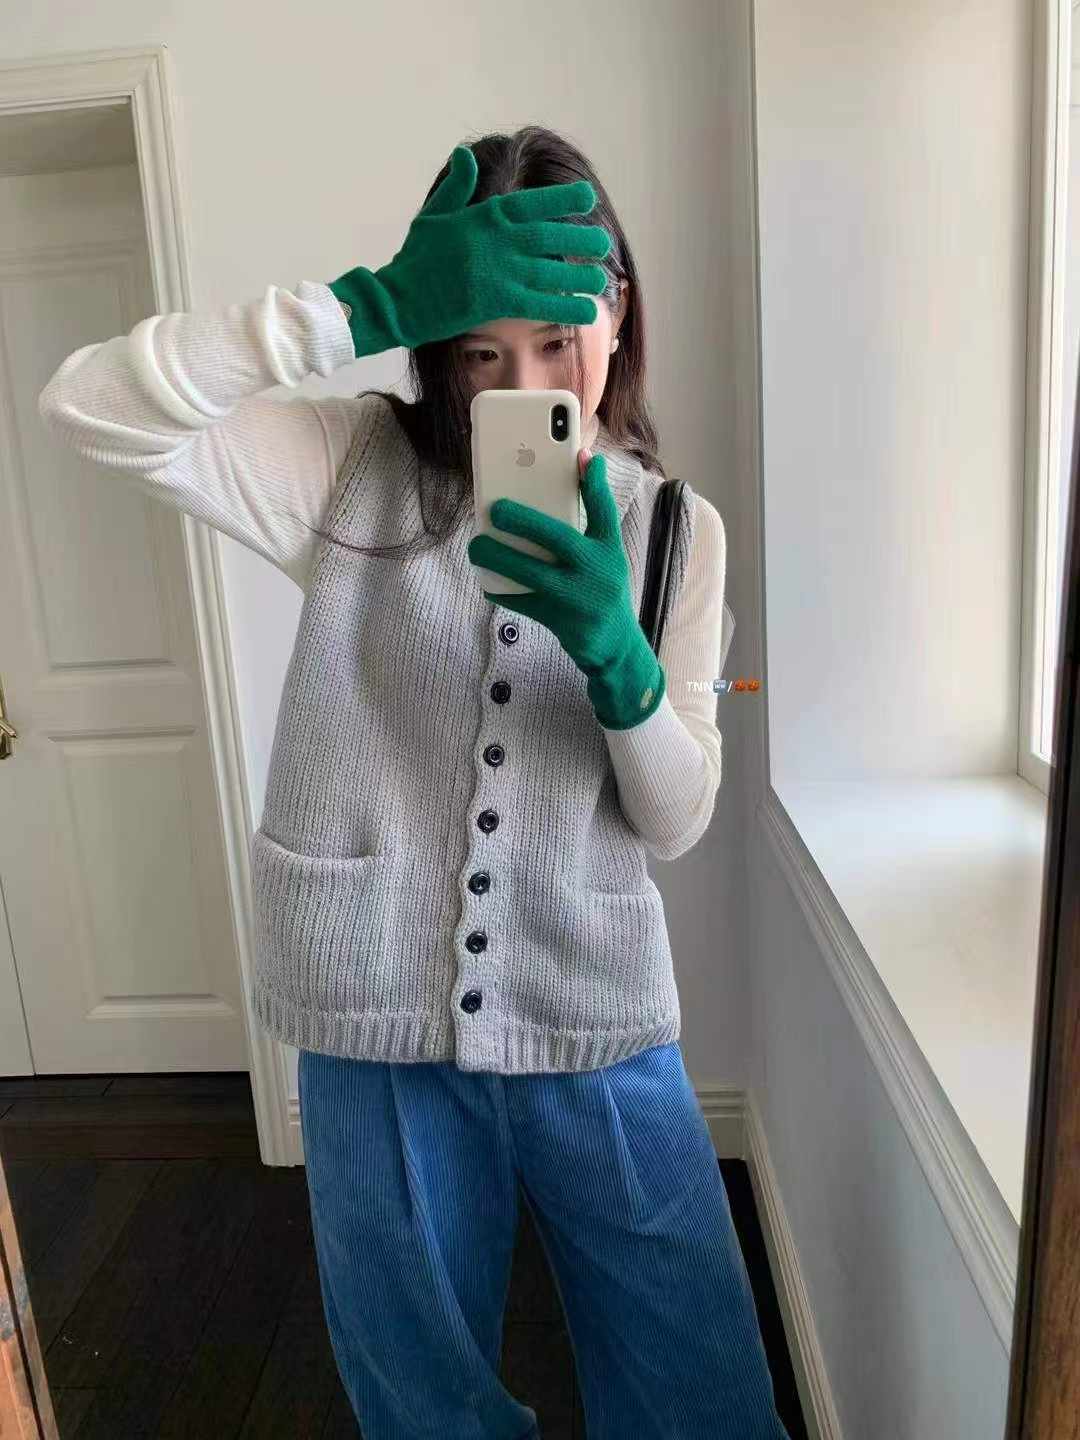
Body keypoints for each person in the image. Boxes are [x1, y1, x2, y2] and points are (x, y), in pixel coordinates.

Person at [39, 123, 789, 1440]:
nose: (523, 384)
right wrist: (359, 307)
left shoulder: (679, 530)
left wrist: (617, 660)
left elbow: (673, 819)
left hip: (596, 1004)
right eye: (478, 350)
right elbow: (91, 405)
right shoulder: (347, 469)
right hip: (370, 1011)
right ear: (438, 346)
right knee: (421, 1405)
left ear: (617, 312)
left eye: (554, 340)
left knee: (701, 1396)